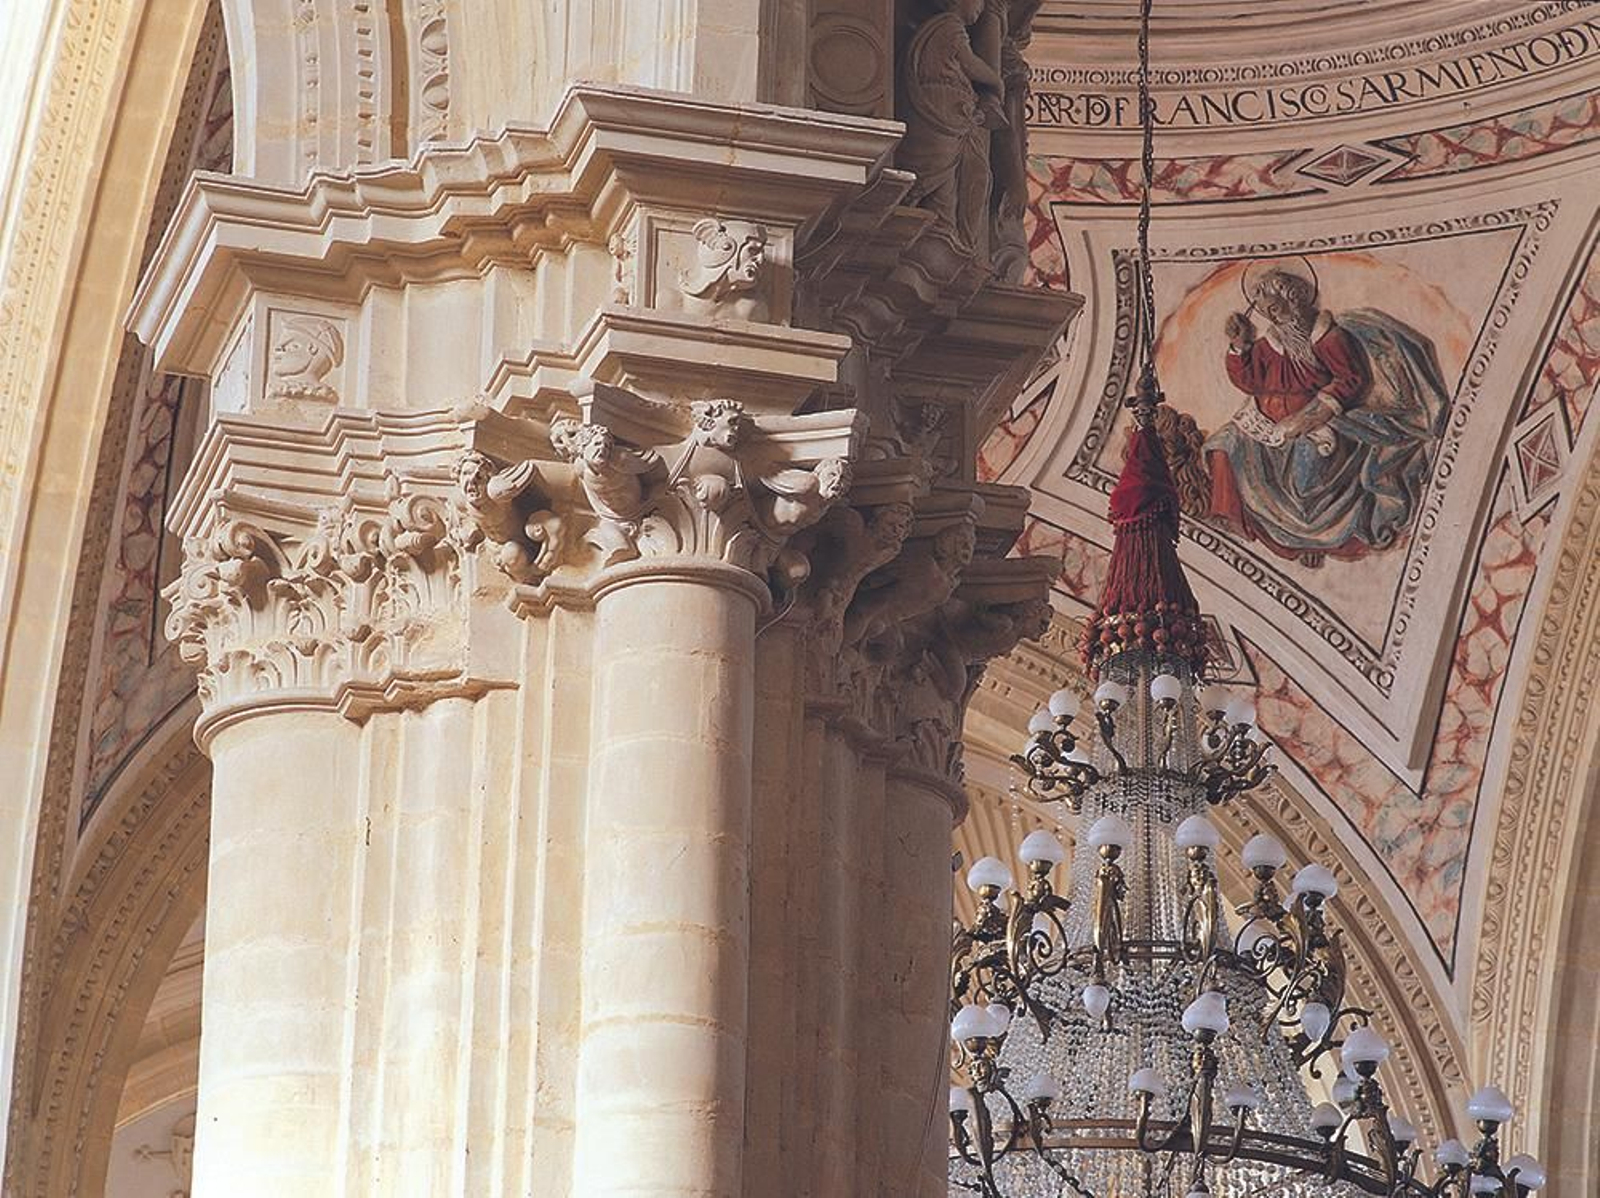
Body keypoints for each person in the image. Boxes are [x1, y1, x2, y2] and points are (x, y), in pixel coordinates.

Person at [1204, 258, 1451, 567]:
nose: (1272, 316)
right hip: (1264, 421)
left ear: (1293, 301)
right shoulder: (1270, 344)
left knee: (1307, 477)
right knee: (1223, 444)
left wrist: (1311, 416)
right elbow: (1249, 380)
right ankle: (1233, 518)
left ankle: (1311, 537)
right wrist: (1239, 346)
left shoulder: (1328, 337)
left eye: (1276, 308)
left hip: (1317, 422)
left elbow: (1351, 380)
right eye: (1267, 311)